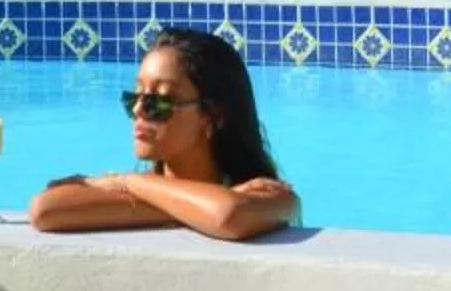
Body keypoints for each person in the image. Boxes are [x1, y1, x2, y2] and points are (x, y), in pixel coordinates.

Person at [28, 26, 299, 241]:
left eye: (159, 100)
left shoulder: (271, 195)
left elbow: (228, 215)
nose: (138, 109)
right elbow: (45, 210)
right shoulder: (147, 189)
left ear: (212, 117)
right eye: (134, 96)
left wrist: (128, 182)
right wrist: (188, 207)